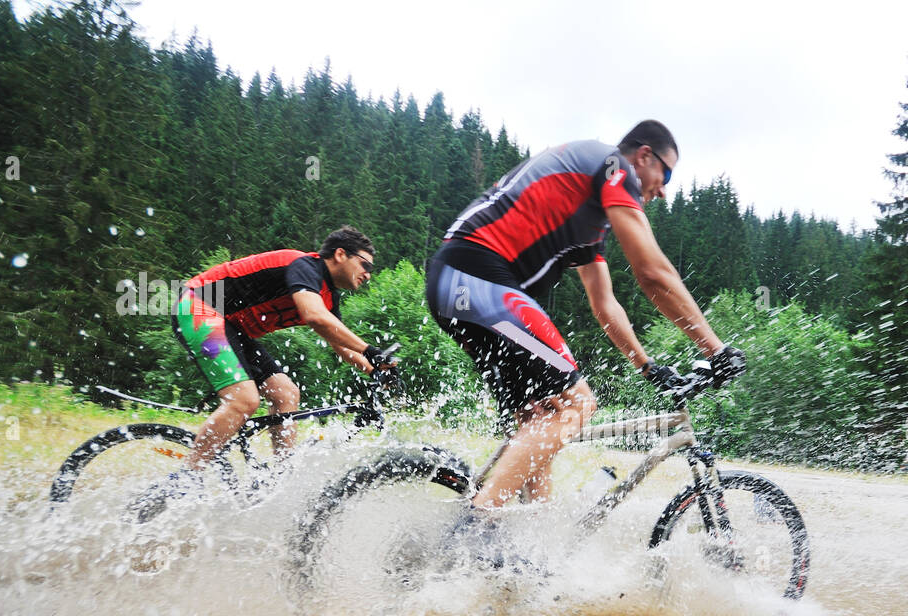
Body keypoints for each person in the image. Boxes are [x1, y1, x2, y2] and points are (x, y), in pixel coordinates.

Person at [424, 120, 745, 518]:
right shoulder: (615, 168)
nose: (663, 189)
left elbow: (605, 304)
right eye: (666, 173)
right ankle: (476, 524)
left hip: (458, 283)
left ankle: (526, 548)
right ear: (644, 156)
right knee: (578, 403)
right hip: (476, 277)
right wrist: (716, 349)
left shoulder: (589, 218)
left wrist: (646, 366)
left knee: (542, 419)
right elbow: (653, 275)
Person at [172, 225, 390, 470]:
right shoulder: (305, 266)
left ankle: (279, 476)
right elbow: (315, 317)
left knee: (285, 394)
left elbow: (339, 342)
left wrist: (376, 369)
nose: (368, 274)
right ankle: (187, 476)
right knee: (244, 400)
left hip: (231, 327)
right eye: (365, 265)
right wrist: (370, 349)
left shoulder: (328, 295)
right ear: (340, 254)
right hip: (198, 307)